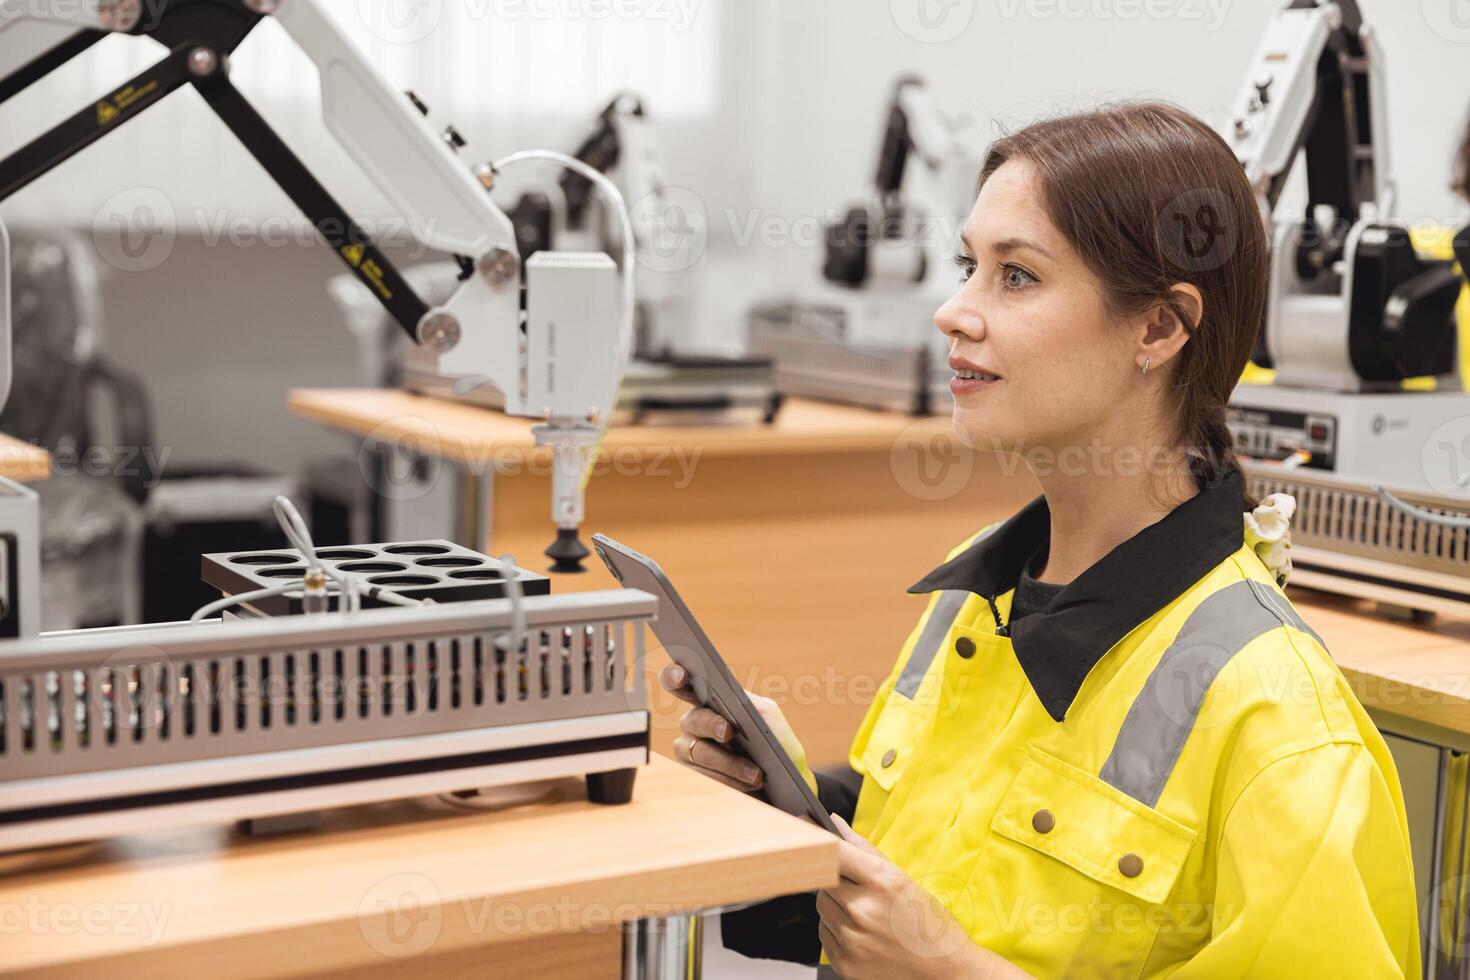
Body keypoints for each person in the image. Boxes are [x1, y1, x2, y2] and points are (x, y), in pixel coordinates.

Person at [664, 102, 1420, 978]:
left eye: (1015, 277)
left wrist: (954, 971)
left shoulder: (1283, 724)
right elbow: (920, 855)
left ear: (1159, 328)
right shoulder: (978, 593)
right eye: (967, 267)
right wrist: (777, 802)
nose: (952, 311)